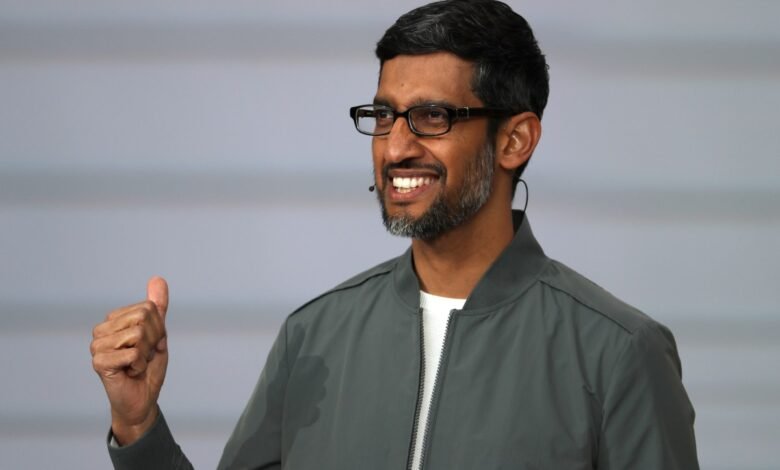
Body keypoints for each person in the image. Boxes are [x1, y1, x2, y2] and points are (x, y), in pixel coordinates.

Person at [90, 1, 700, 468]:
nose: (396, 146)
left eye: (432, 116)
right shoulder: (313, 337)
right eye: (384, 116)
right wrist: (138, 427)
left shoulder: (619, 353)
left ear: (515, 140)